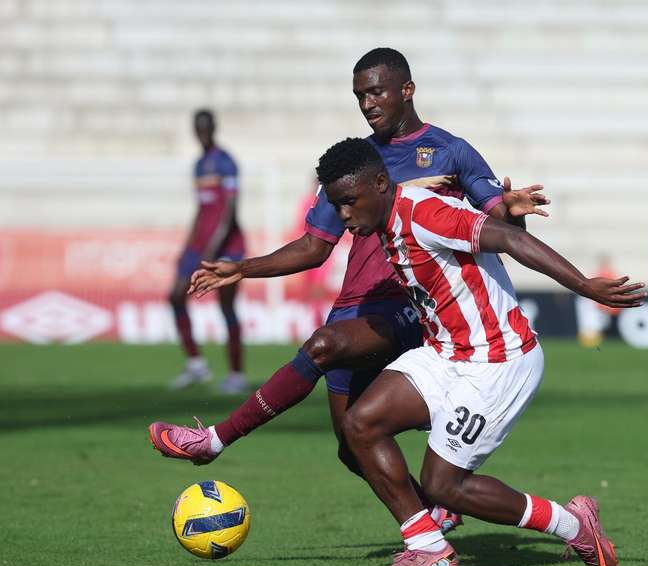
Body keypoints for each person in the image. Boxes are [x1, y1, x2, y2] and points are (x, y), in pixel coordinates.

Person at [148, 48, 548, 532]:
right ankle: (433, 517)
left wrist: (513, 208)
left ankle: (215, 439)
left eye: (376, 91)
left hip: (408, 306)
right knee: (351, 443)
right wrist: (243, 267)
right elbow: (315, 247)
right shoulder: (354, 162)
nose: (368, 102)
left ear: (407, 90)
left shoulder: (450, 150)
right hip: (356, 305)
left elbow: (494, 222)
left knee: (324, 346)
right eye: (360, 94)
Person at [314, 137, 646, 566]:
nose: (344, 215)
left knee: (442, 485)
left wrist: (584, 285)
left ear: (380, 183)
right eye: (337, 205)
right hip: (446, 353)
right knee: (359, 426)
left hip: (499, 359)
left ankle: (574, 525)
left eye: (350, 202)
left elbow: (507, 238)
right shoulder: (384, 220)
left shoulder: (424, 213)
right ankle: (429, 546)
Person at [169, 109, 246, 394]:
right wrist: (187, 246)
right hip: (200, 246)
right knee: (175, 295)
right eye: (197, 128)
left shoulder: (226, 163)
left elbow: (229, 210)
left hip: (228, 247)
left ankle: (236, 374)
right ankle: (196, 365)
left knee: (226, 306)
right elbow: (201, 211)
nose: (202, 132)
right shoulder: (199, 165)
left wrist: (214, 247)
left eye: (206, 127)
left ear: (213, 127)